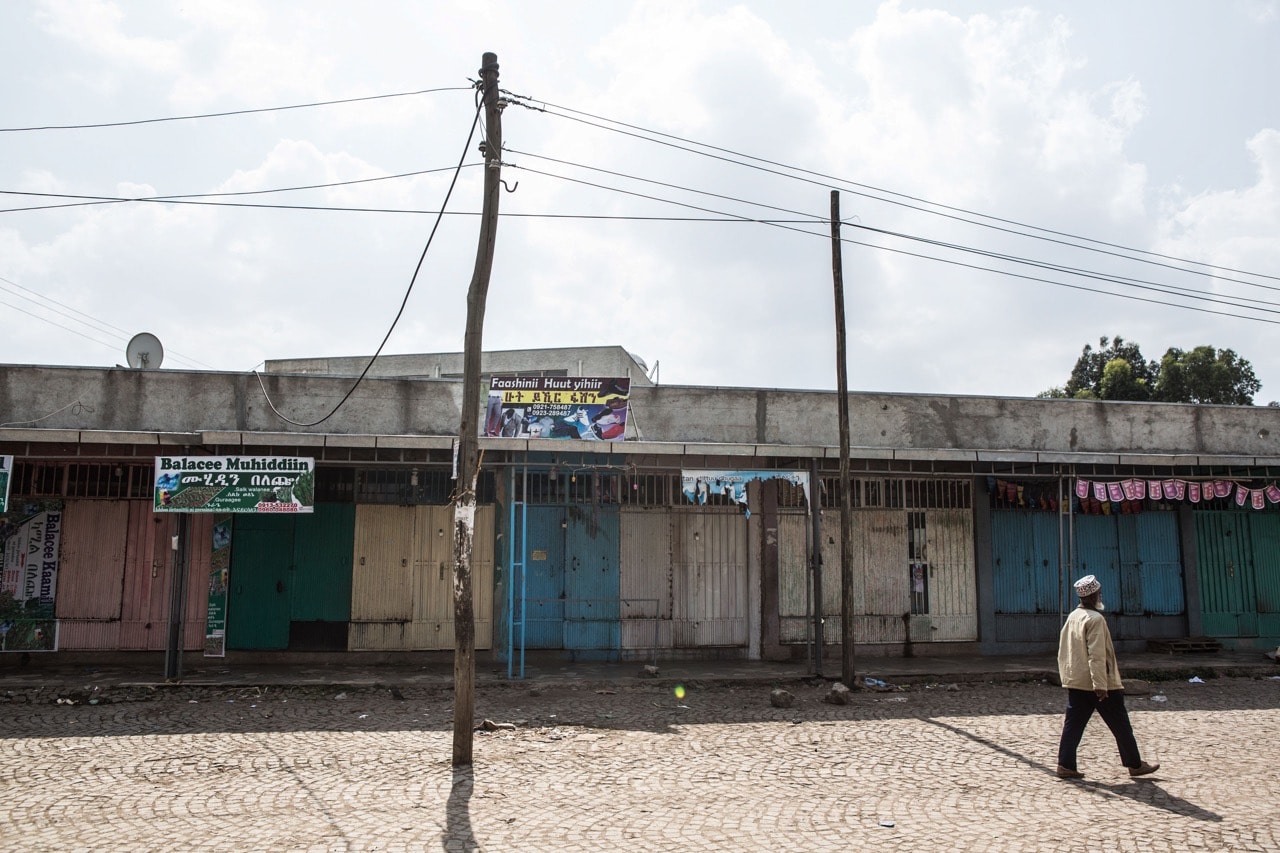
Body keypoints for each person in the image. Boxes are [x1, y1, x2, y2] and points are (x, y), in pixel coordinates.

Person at [1055, 574, 1160, 779]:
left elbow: (1064, 651)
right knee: (1120, 724)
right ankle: (1135, 764)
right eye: (1099, 593)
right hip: (1099, 684)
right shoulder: (1095, 620)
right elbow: (1097, 655)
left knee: (1073, 725)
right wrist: (1100, 685)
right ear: (1094, 596)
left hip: (1077, 681)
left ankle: (1066, 765)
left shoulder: (1073, 617)